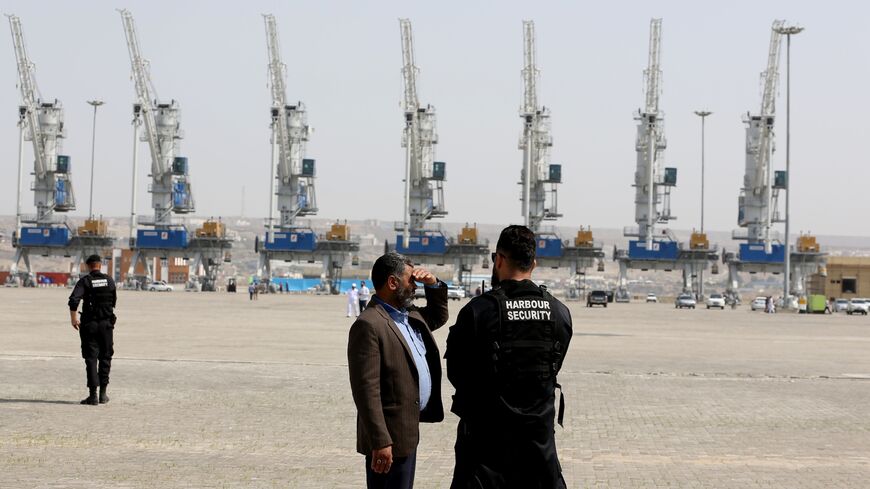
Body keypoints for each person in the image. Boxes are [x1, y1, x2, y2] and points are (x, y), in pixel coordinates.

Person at [446, 225, 572, 488]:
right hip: (539, 452)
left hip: (485, 452)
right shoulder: (559, 313)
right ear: (534, 263)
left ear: (499, 259)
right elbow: (553, 367)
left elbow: (457, 373)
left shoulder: (478, 312)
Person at [347, 252, 448, 489]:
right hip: (388, 440)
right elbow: (366, 390)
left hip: (406, 433)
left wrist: (433, 284)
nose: (415, 286)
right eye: (410, 280)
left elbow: (439, 315)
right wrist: (380, 441)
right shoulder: (369, 324)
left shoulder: (410, 316)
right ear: (392, 283)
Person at [68, 254, 117, 405]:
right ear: (100, 264)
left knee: (91, 358)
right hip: (106, 325)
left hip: (90, 325)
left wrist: (73, 319)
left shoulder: (85, 281)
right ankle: (103, 394)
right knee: (105, 357)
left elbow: (73, 300)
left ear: (88, 266)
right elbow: (114, 301)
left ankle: (93, 396)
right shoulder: (109, 280)